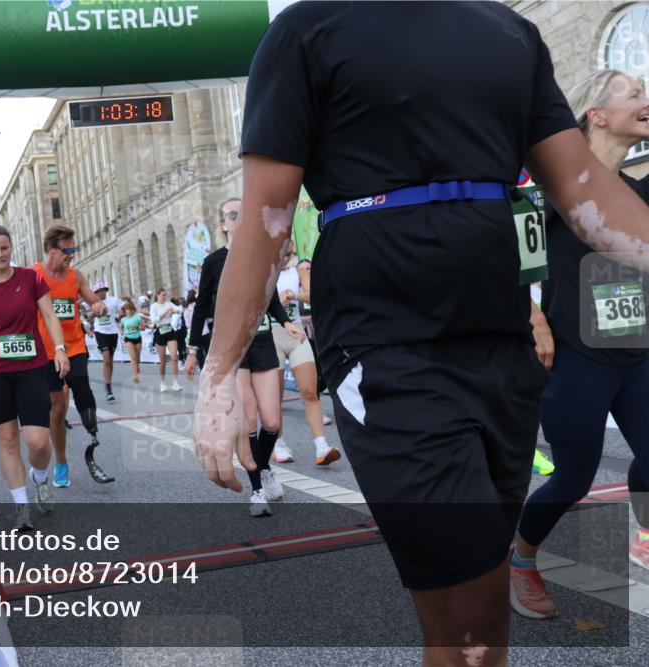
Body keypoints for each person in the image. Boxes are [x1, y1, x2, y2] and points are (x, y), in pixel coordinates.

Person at [191, 3, 649, 664]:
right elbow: (265, 219)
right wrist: (218, 374)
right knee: (466, 618)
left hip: (502, 350)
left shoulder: (507, 30)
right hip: (384, 355)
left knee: (484, 615)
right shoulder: (305, 31)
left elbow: (580, 186)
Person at [511, 70, 649, 618]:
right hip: (575, 355)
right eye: (635, 94)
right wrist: (534, 321)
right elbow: (510, 259)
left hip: (639, 354)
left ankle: (645, 534)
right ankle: (522, 560)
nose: (647, 100)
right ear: (596, 113)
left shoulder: (640, 192)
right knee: (572, 477)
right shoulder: (550, 189)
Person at [188, 197, 307, 516]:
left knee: (272, 421)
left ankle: (264, 466)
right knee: (250, 418)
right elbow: (201, 306)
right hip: (232, 347)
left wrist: (286, 322)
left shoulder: (260, 256)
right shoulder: (214, 261)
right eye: (232, 215)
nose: (240, 219)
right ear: (223, 224)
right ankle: (257, 490)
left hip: (263, 341)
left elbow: (268, 298)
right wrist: (191, 347)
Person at [0, 225, 68, 531]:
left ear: (11, 248)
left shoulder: (30, 278)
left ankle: (40, 477)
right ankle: (22, 508)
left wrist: (59, 349)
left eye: (4, 248)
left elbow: (49, 315)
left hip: (31, 370)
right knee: (7, 441)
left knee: (38, 441)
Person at [34, 224, 113, 487]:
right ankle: (61, 462)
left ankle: (93, 435)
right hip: (46, 351)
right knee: (57, 409)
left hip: (74, 347)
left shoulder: (75, 276)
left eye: (73, 249)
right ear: (50, 249)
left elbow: (92, 300)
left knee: (81, 386)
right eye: (66, 250)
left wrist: (99, 306)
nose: (71, 255)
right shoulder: (33, 275)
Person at [271, 240, 339, 466]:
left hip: (297, 335)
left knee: (310, 392)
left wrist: (293, 296)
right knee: (275, 397)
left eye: (291, 253)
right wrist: (276, 306)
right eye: (284, 253)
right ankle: (279, 444)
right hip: (272, 336)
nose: (288, 258)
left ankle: (322, 446)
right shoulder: (265, 273)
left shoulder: (298, 271)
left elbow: (313, 295)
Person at [90, 281, 124, 401]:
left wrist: (118, 315)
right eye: (98, 291)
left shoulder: (114, 300)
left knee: (110, 361)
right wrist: (93, 315)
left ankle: (108, 385)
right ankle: (108, 388)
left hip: (113, 333)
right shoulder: (92, 302)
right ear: (95, 293)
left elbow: (123, 309)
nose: (100, 293)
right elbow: (88, 316)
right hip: (100, 332)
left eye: (102, 290)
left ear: (106, 290)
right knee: (106, 359)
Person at [150, 289, 182, 393]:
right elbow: (154, 320)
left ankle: (175, 382)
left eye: (165, 295)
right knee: (163, 361)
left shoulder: (169, 304)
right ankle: (162, 382)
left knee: (175, 357)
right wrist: (165, 313)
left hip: (169, 330)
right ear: (158, 295)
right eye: (163, 295)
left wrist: (175, 311)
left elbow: (179, 309)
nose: (165, 297)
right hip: (160, 331)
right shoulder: (154, 306)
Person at [118, 300, 147, 383]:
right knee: (133, 357)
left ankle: (137, 370)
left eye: (130, 309)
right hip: (128, 339)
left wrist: (138, 327)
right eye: (127, 309)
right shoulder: (123, 319)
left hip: (137, 338)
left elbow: (143, 327)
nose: (129, 311)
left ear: (132, 309)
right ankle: (135, 376)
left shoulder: (137, 317)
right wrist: (121, 331)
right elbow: (121, 327)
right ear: (125, 311)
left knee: (137, 359)